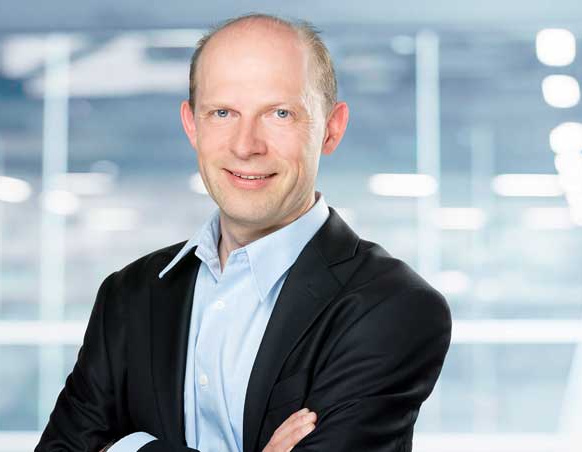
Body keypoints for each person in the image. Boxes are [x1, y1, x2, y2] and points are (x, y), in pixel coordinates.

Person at [35, 13, 451, 452]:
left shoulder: (392, 307)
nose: (246, 145)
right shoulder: (129, 295)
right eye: (222, 113)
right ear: (192, 125)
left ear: (331, 128)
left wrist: (128, 448)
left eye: (280, 113)